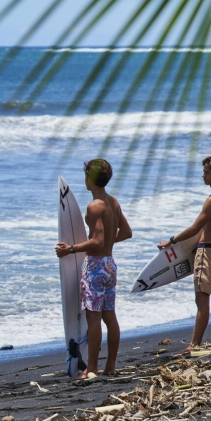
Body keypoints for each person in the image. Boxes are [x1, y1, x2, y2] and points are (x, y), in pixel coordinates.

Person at [55, 159, 133, 379]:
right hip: (109, 264)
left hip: (95, 267)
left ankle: (93, 370)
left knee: (94, 319)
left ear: (90, 178)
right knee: (110, 317)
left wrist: (70, 249)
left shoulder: (95, 205)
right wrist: (108, 241)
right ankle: (110, 366)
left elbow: (97, 241)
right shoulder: (113, 202)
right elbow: (127, 232)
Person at [158, 156, 211, 353]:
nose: (203, 175)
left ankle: (194, 345)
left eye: (207, 172)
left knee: (202, 299)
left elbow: (195, 228)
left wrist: (171, 241)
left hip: (207, 252)